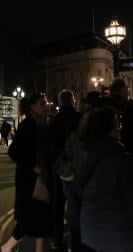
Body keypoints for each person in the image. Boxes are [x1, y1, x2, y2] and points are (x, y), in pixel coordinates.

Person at [77, 106, 133, 252]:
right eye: (117, 123)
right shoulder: (121, 160)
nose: (120, 127)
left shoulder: (84, 154)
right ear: (108, 128)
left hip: (91, 233)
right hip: (119, 236)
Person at [2, 93, 52, 252]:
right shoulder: (28, 125)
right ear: (32, 107)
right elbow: (13, 152)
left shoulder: (44, 123)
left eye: (46, 103)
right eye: (42, 103)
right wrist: (33, 166)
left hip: (43, 178)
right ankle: (7, 246)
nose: (46, 106)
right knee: (29, 217)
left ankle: (39, 250)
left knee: (43, 216)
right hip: (29, 180)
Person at [49, 89, 82, 250]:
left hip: (60, 167)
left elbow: (51, 146)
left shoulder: (54, 121)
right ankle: (76, 239)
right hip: (77, 167)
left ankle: (57, 239)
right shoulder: (79, 118)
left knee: (58, 204)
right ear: (72, 100)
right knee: (76, 203)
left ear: (60, 102)